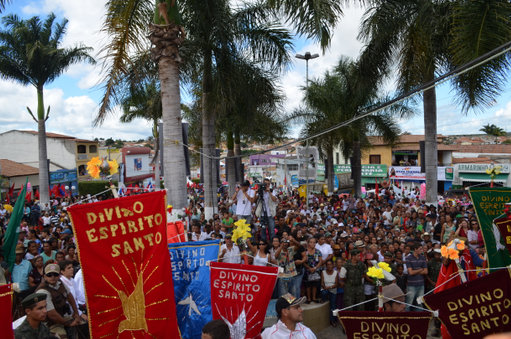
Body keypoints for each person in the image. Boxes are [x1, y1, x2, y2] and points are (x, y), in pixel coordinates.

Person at [36, 263, 82, 338]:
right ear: (44, 276)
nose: (52, 277)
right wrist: (68, 323)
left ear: (59, 276)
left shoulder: (60, 283)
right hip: (50, 323)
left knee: (83, 325)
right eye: (49, 275)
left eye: (55, 274)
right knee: (62, 336)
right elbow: (52, 314)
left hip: (63, 316)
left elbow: (70, 297)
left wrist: (76, 314)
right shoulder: (43, 291)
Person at [405, 243, 427, 311]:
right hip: (411, 285)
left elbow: (426, 272)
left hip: (421, 284)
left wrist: (415, 271)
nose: (422, 250)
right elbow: (411, 272)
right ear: (415, 249)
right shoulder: (408, 258)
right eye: (420, 249)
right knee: (409, 303)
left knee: (419, 303)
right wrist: (420, 269)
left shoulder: (423, 258)